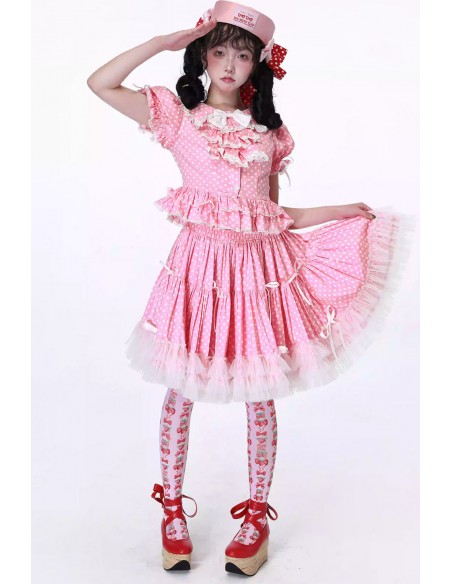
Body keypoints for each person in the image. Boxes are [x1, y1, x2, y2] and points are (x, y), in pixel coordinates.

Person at [87, 1, 415, 576]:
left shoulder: (270, 135)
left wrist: (337, 210)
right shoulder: (177, 118)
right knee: (180, 387)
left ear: (258, 64)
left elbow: (273, 216)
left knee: (261, 390)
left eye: (242, 55)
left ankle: (257, 515)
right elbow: (100, 83)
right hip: (198, 273)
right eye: (219, 52)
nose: (229, 65)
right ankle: (171, 511)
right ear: (203, 57)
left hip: (256, 275)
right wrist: (164, 41)